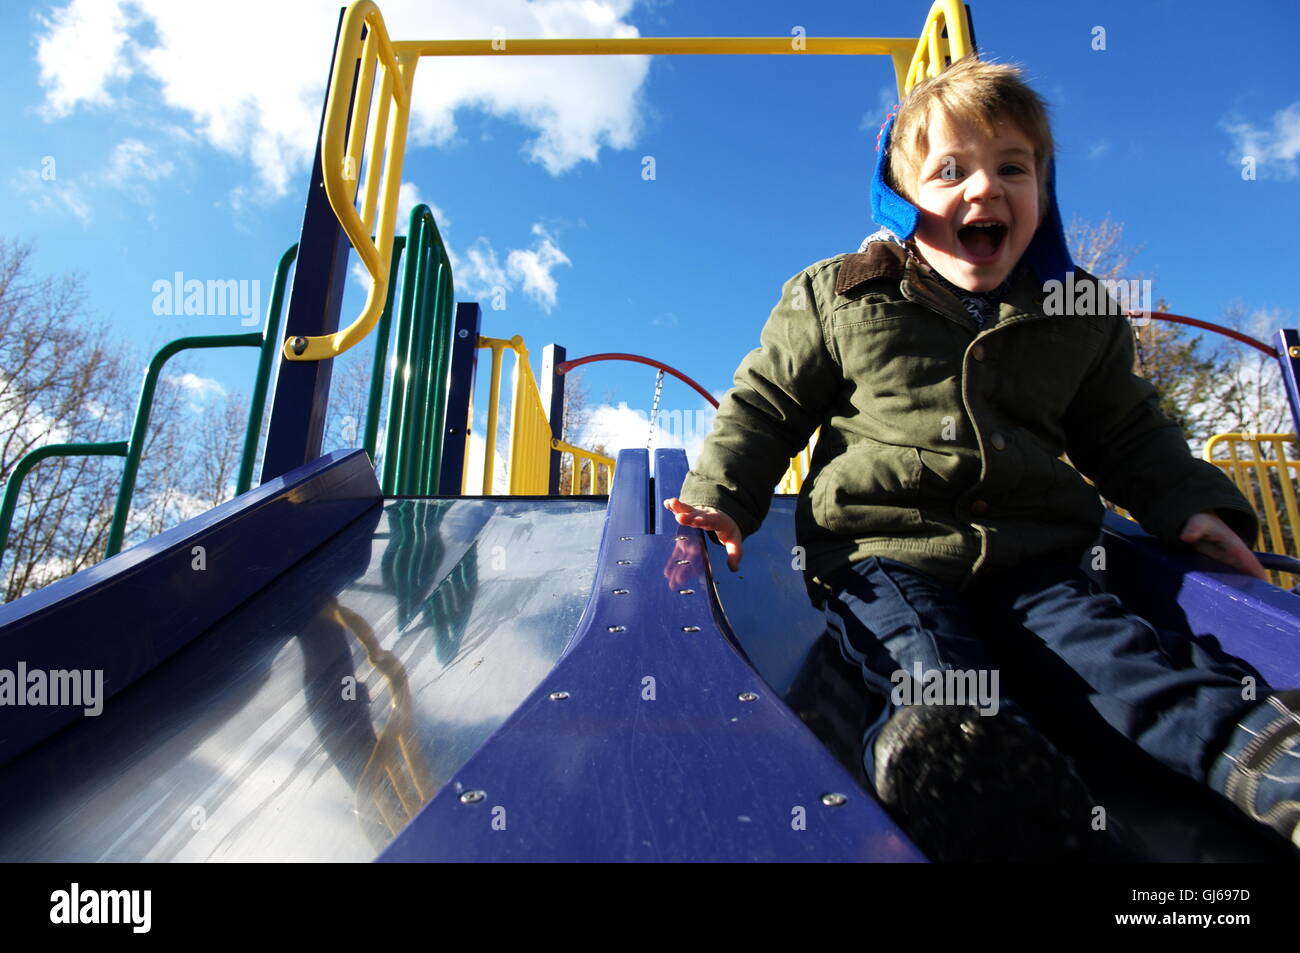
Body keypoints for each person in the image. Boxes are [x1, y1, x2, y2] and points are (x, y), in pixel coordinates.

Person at [664, 55, 1299, 859]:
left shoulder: (1074, 313)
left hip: (1040, 561)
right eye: (950, 170)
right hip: (882, 550)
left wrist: (1193, 506)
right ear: (900, 201)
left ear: (1043, 193)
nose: (985, 189)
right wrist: (721, 494)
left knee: (1123, 658)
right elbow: (767, 404)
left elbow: (1127, 430)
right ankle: (976, 780)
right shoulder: (844, 294)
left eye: (1013, 168)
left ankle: (1271, 759)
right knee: (928, 667)